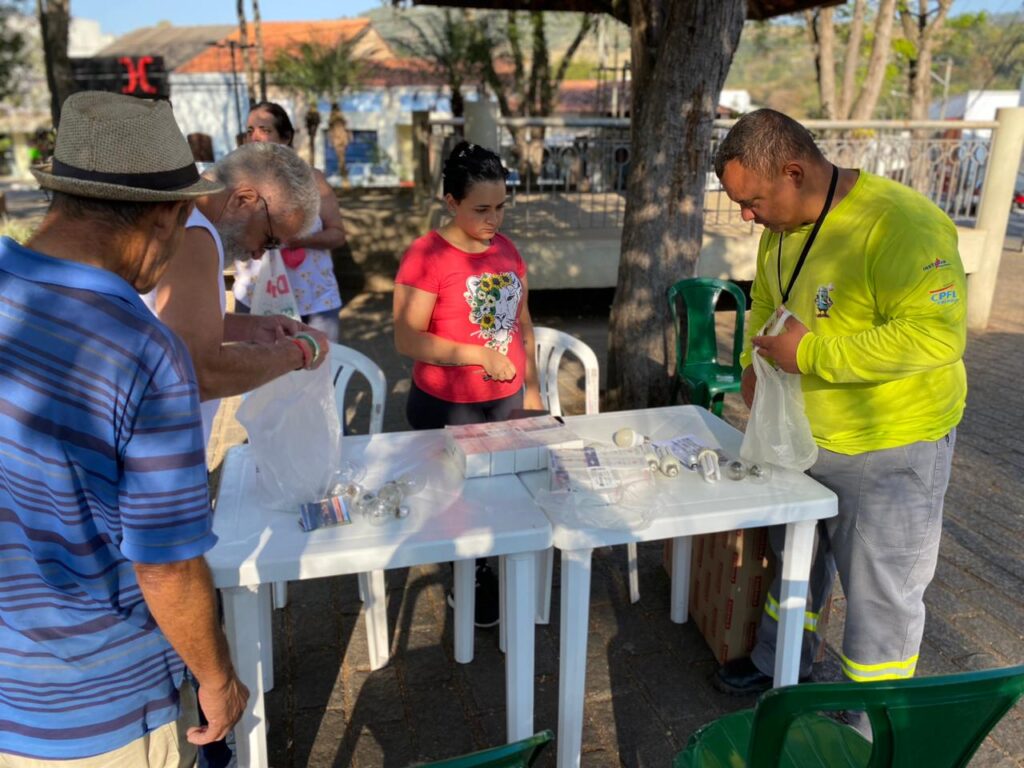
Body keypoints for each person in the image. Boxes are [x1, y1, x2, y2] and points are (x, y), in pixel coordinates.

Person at [0, 91, 248, 765]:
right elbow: (165, 563)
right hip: (98, 705)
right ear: (164, 216)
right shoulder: (140, 351)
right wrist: (217, 678)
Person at [711, 109, 967, 708]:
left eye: (751, 201)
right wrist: (753, 360)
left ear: (793, 173)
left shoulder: (902, 224)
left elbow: (936, 337)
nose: (746, 216)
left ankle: (871, 723)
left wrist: (811, 354)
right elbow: (767, 298)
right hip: (804, 438)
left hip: (889, 447)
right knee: (797, 563)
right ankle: (782, 665)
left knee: (881, 598)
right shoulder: (782, 227)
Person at [393, 141, 543, 627]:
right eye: (481, 209)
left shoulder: (508, 250)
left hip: (505, 399)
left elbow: (523, 325)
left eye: (501, 206)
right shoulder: (427, 256)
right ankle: (470, 573)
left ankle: (494, 559)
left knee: (504, 494)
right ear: (451, 201)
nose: (493, 219)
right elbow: (406, 338)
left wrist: (533, 389)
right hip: (446, 403)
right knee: (459, 502)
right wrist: (477, 355)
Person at [145, 140, 329, 448]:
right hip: (159, 446)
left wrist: (252, 327)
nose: (259, 254)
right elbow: (200, 372)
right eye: (269, 240)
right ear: (243, 199)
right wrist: (300, 351)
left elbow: (168, 323)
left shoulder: (184, 219)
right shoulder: (194, 236)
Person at [231, 101, 348, 342]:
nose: (255, 137)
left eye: (265, 130)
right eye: (250, 131)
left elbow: (337, 235)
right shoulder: (236, 184)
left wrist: (298, 239)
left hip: (314, 303)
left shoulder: (313, 180)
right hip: (254, 300)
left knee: (320, 364)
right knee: (255, 366)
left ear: (286, 137)